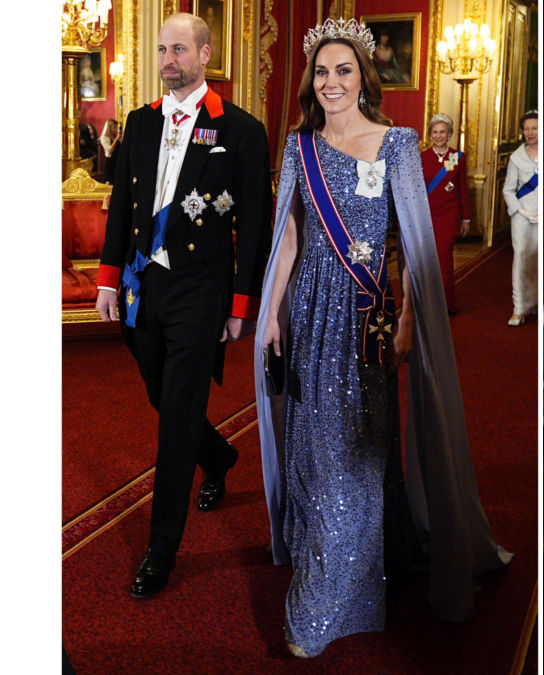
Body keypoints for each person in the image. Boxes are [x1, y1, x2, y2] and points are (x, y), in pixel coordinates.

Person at [254, 18, 512, 658]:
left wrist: (405, 320)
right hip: (309, 309)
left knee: (361, 443)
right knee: (315, 442)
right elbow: (288, 238)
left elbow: (415, 248)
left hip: (365, 313)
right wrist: (269, 314)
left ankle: (352, 580)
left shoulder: (396, 143)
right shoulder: (298, 146)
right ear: (311, 83)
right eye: (321, 72)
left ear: (363, 77)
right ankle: (325, 571)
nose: (331, 82)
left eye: (344, 70)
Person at [95, 12, 272, 598]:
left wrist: (241, 301)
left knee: (174, 419)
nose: (168, 60)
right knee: (158, 393)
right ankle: (218, 456)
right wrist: (107, 278)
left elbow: (255, 223)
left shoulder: (240, 130)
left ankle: (160, 547)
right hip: (145, 285)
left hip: (200, 290)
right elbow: (123, 201)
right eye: (163, 50)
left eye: (179, 50)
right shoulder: (141, 123)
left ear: (205, 54)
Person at [421, 112, 471, 314]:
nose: (439, 136)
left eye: (443, 132)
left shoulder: (458, 157)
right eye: (435, 132)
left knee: (444, 259)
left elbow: (462, 190)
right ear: (430, 134)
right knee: (425, 259)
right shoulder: (421, 157)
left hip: (448, 216)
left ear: (449, 134)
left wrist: (466, 217)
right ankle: (426, 303)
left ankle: (444, 304)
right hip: (426, 215)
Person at [502, 110, 538, 326]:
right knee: (521, 259)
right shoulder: (517, 157)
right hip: (522, 217)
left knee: (539, 260)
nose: (530, 132)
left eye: (534, 128)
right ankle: (519, 308)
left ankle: (536, 302)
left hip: (543, 217)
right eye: (527, 129)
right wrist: (521, 211)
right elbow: (508, 190)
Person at [99, 118, 122, 184]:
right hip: (110, 162)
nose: (115, 130)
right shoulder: (104, 138)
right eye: (114, 128)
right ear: (109, 128)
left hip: (117, 161)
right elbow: (110, 150)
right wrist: (117, 139)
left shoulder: (115, 137)